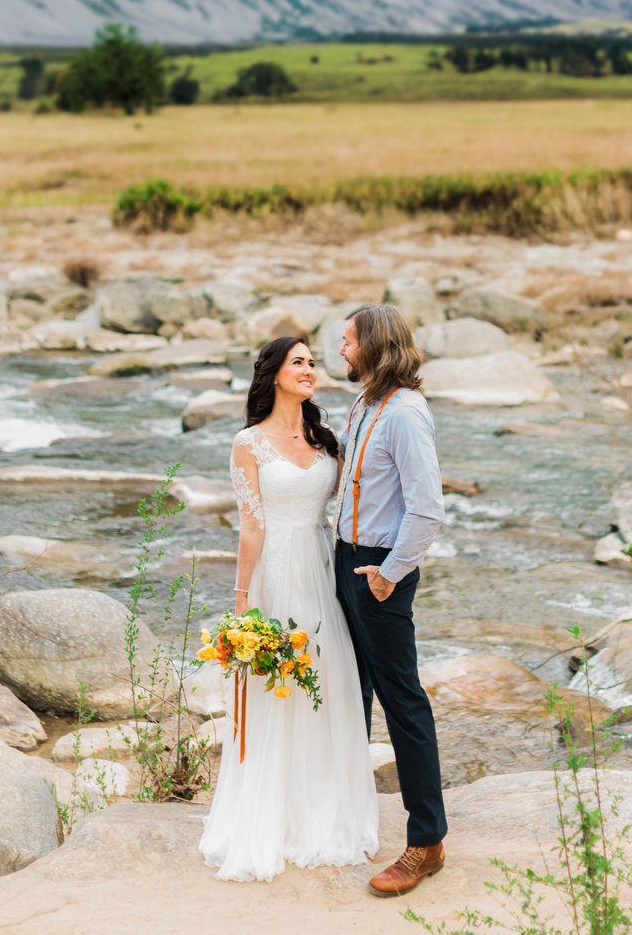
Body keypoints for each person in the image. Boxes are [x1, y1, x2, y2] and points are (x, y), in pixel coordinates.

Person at [199, 336, 379, 882]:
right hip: (278, 572)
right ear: (274, 373)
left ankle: (325, 810)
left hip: (325, 570)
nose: (309, 370)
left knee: (328, 681)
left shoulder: (327, 439)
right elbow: (251, 526)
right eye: (298, 362)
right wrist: (241, 600)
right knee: (280, 684)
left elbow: (353, 501)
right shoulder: (248, 443)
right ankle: (274, 817)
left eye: (313, 362)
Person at [335, 303, 447, 897]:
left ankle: (425, 842)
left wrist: (388, 573)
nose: (341, 350)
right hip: (343, 561)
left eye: (348, 341)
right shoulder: (362, 403)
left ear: (375, 347)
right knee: (348, 694)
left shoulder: (406, 414)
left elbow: (428, 508)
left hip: (379, 570)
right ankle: (348, 822)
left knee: (403, 702)